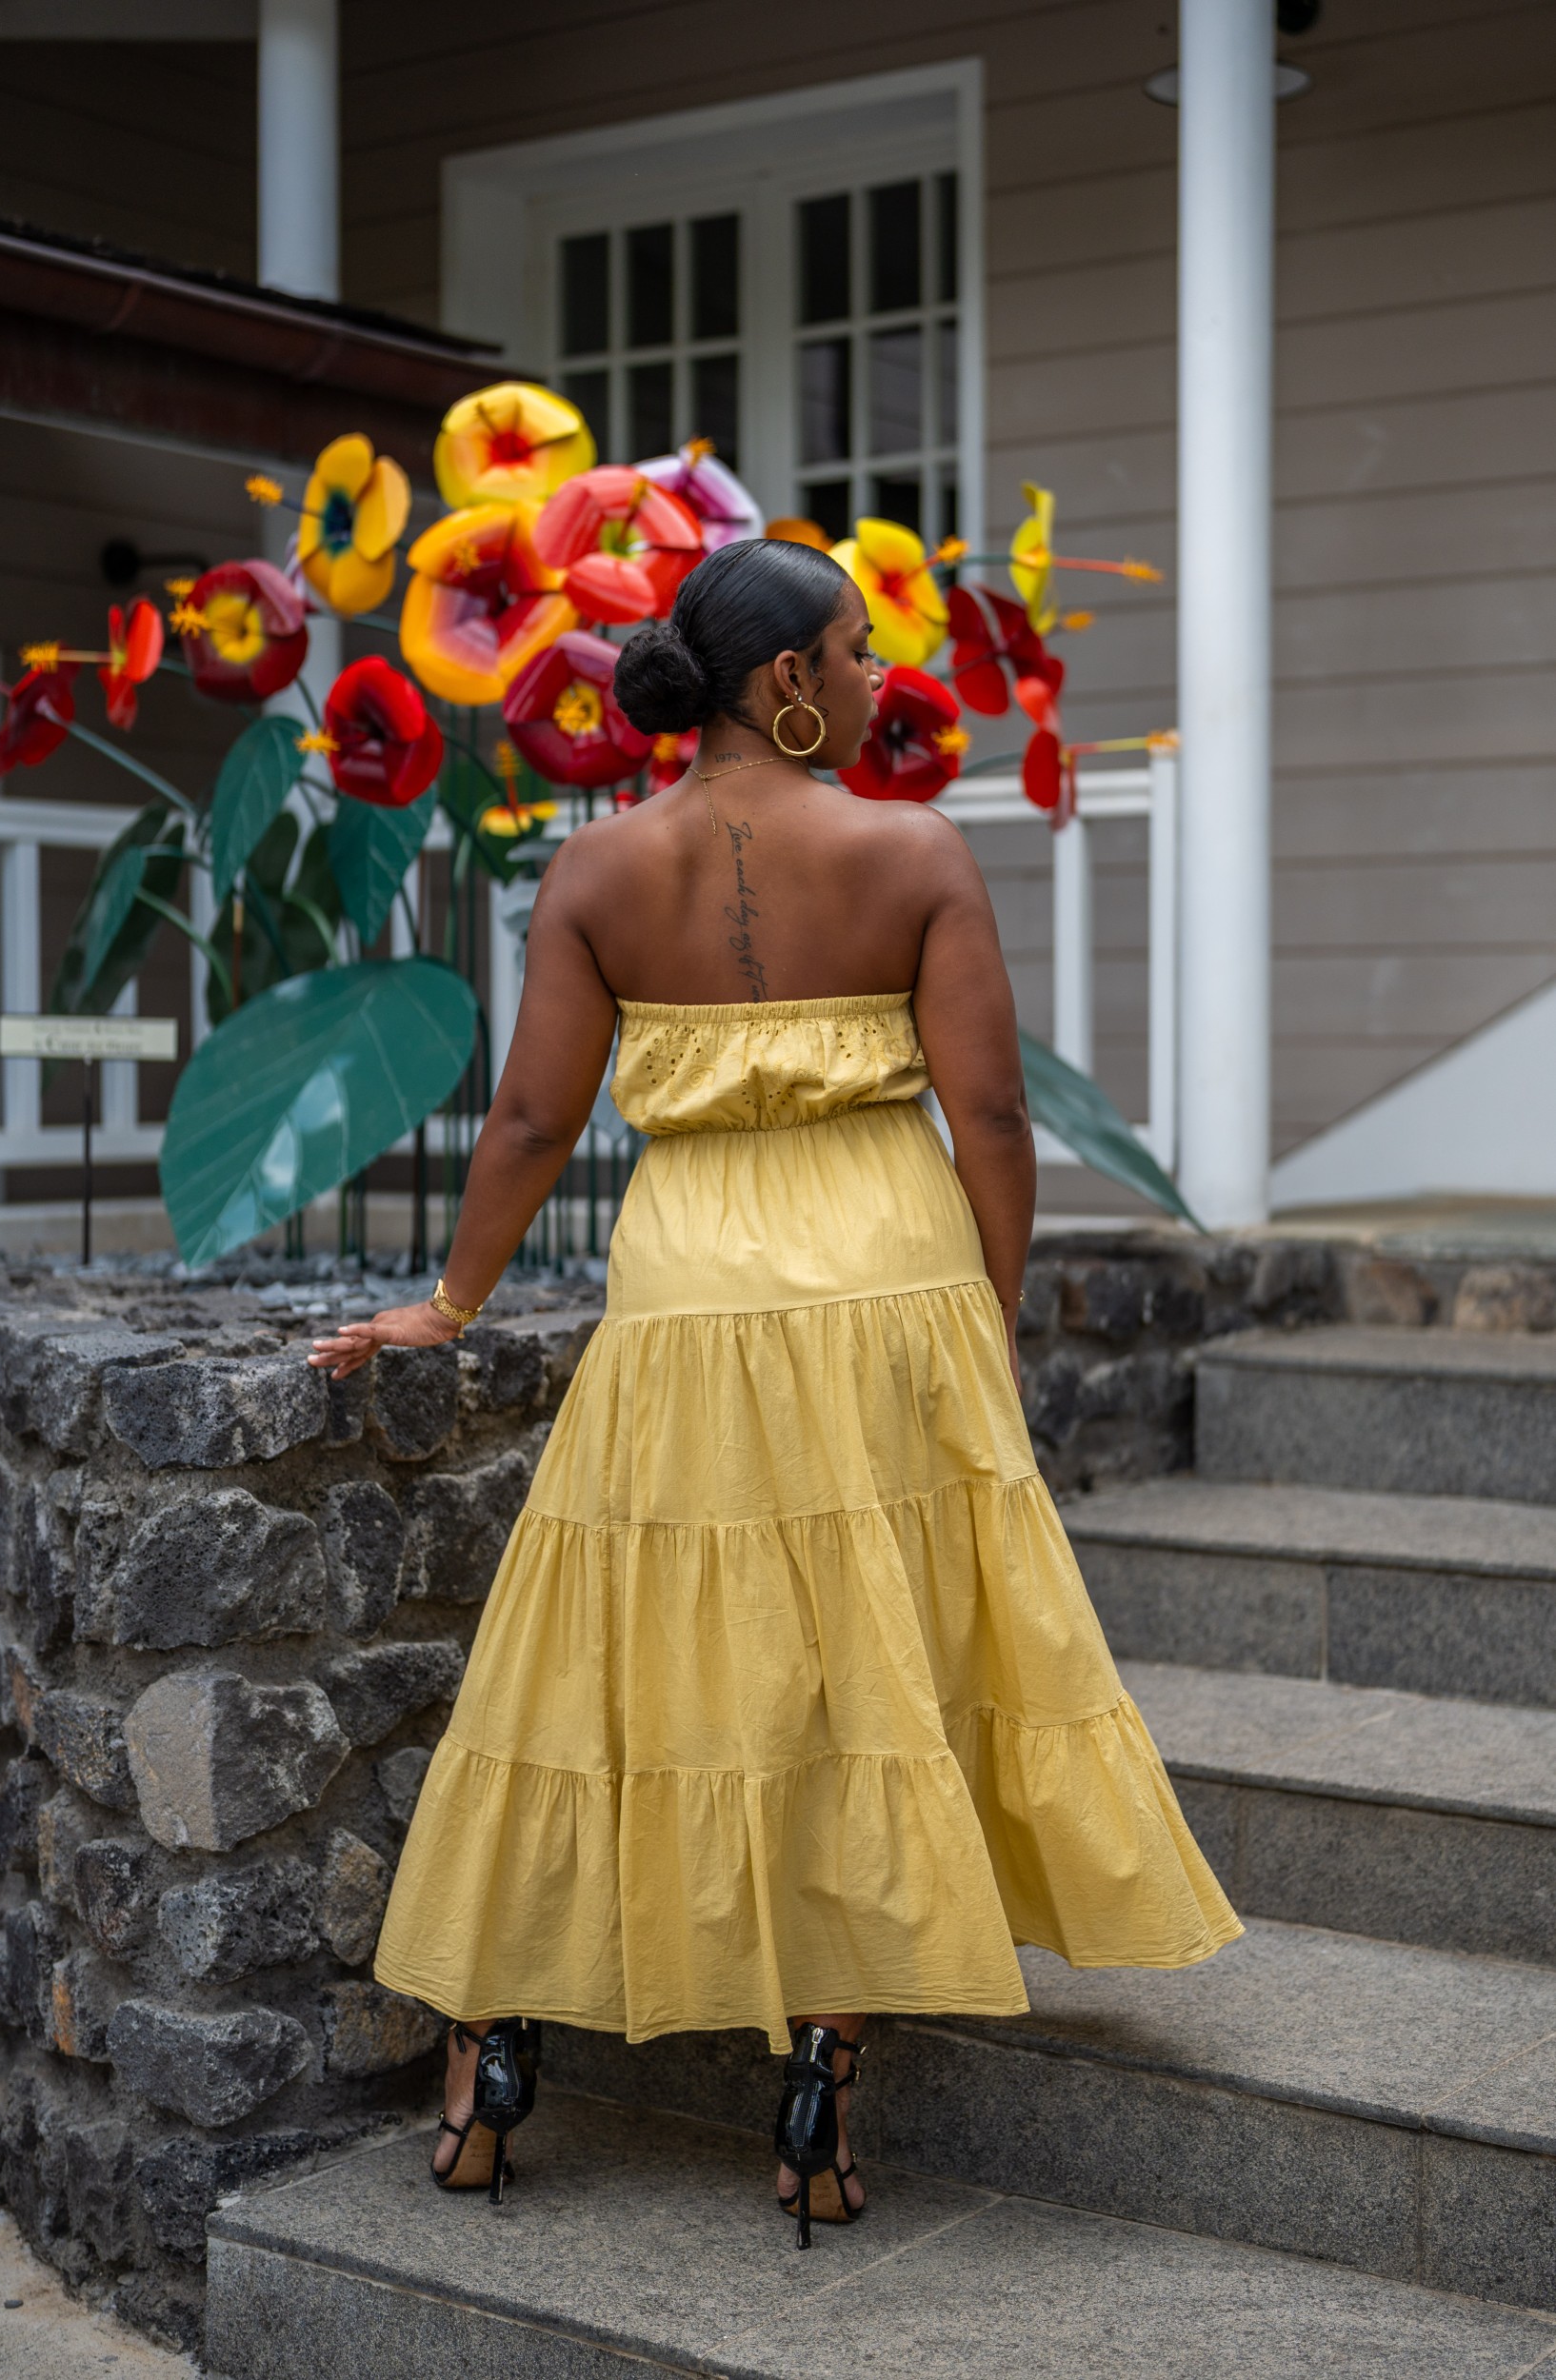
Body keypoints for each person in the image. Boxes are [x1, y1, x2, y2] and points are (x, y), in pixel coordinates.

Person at [309, 538, 1240, 2248]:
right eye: (860, 650)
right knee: (866, 1658)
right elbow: (997, 1124)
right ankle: (819, 2075)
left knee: (611, 1657)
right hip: (889, 1282)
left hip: (687, 1294)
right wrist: (992, 1317)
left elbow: (528, 1125)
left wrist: (450, 1307)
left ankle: (491, 2061)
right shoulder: (910, 850)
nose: (883, 678)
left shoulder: (595, 867)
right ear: (788, 684)